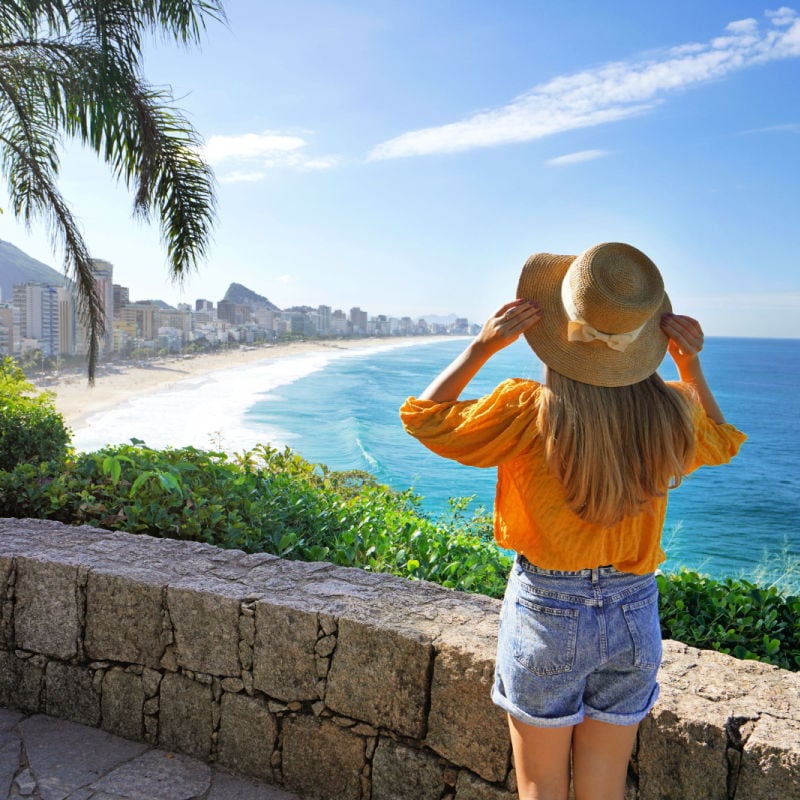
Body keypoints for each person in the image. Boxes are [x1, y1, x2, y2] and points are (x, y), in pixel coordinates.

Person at [399, 242, 746, 800]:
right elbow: (722, 440)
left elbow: (426, 419)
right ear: (646, 340)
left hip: (547, 610)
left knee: (541, 786)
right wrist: (690, 365)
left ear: (557, 329)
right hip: (635, 611)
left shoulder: (525, 410)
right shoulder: (671, 414)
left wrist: (482, 346)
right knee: (603, 787)